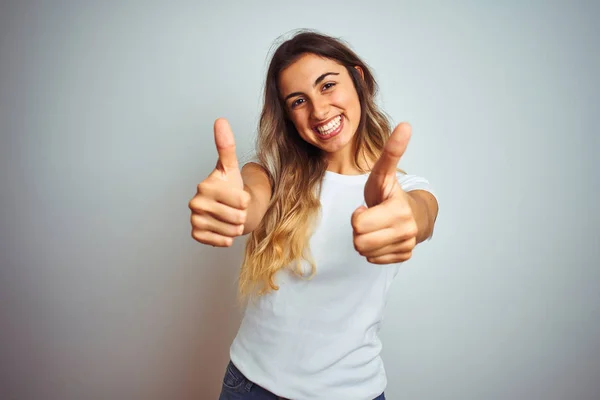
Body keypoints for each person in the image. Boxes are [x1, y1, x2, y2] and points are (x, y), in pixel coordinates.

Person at [189, 30, 439, 400]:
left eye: (327, 86)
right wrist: (234, 211)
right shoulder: (271, 173)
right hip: (250, 387)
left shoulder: (407, 190)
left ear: (360, 79)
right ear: (288, 116)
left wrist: (410, 220)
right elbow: (251, 201)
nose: (319, 111)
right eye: (298, 101)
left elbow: (421, 215)